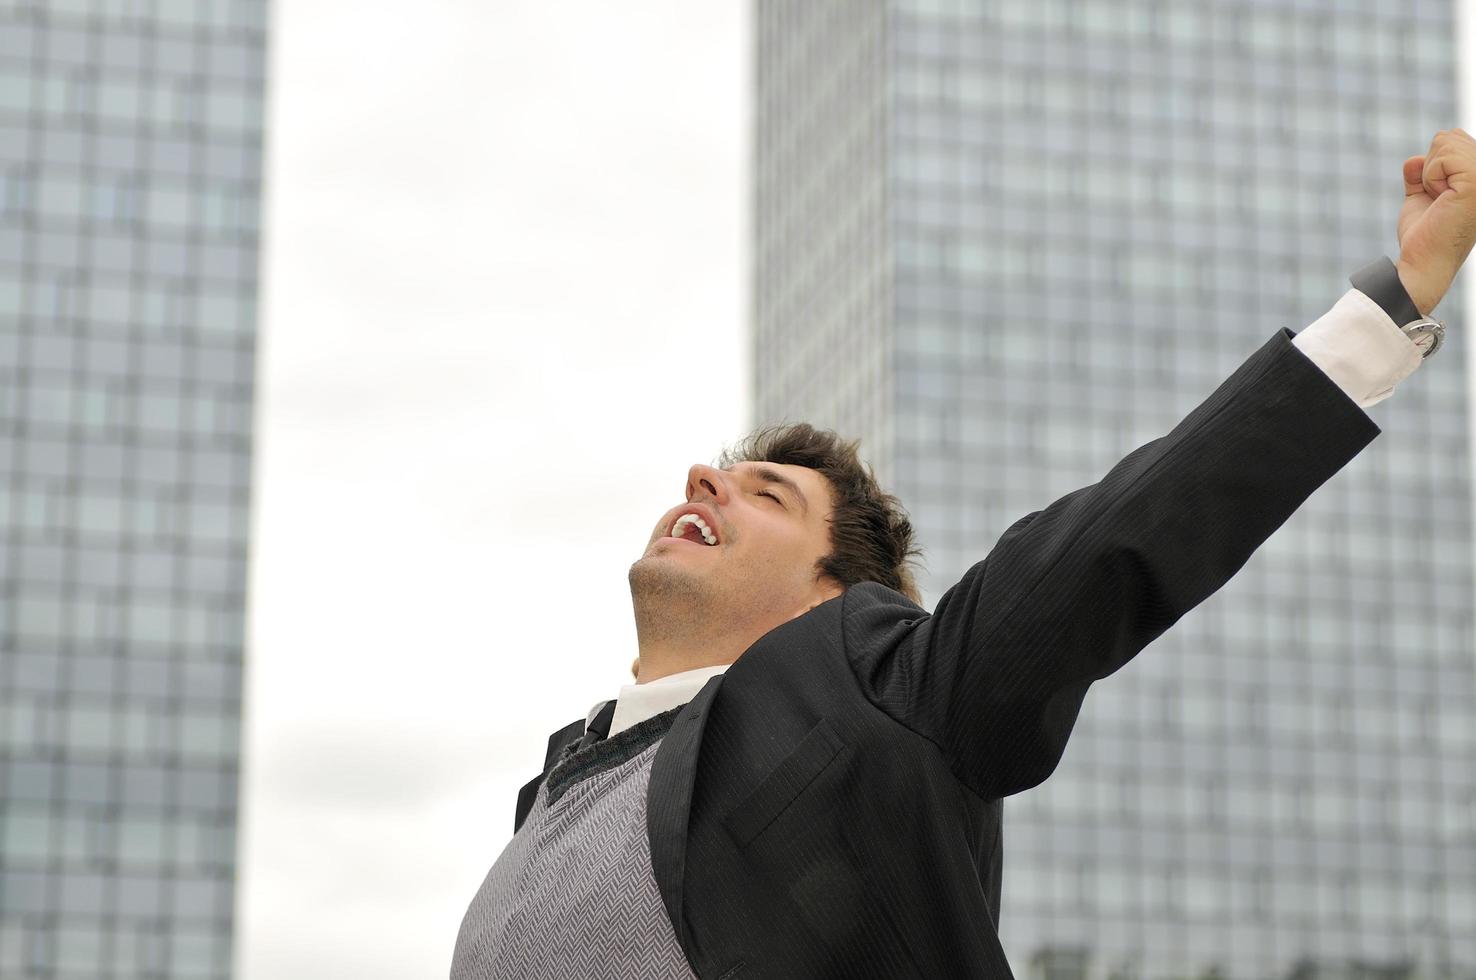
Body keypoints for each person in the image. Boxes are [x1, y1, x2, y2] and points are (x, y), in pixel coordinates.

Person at [450, 130, 1476, 979]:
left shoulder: (872, 701)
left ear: (830, 600)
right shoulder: (544, 804)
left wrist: (1392, 304)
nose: (701, 482)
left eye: (766, 493)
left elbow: (1112, 545)